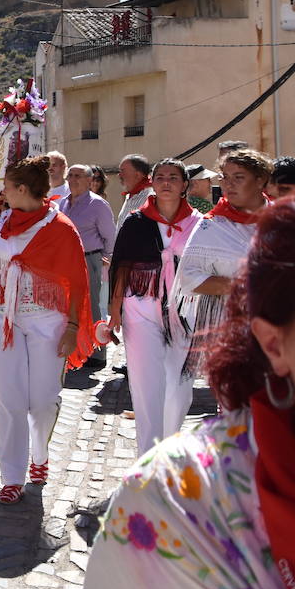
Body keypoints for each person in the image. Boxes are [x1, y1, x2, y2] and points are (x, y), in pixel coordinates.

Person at [80, 187, 295, 589]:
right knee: (151, 391)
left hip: (180, 322)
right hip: (152, 315)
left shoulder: (197, 222)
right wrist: (115, 311)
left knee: (175, 394)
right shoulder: (170, 502)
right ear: (274, 342)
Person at [0, 156, 95, 505]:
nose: (1, 193)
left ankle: (40, 454)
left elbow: (78, 280)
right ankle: (12, 477)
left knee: (43, 400)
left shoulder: (61, 227)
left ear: (22, 189)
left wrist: (72, 326)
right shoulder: (3, 219)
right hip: (1, 316)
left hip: (47, 319)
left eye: (6, 186)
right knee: (8, 398)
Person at [107, 158, 202, 455]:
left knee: (180, 389)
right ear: (152, 182)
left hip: (184, 311)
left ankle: (168, 450)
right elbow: (120, 265)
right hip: (141, 307)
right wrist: (115, 309)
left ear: (184, 185)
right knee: (146, 386)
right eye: (160, 177)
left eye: (173, 177)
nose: (166, 182)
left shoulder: (200, 224)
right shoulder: (136, 222)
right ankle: (148, 461)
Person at [172, 148, 272, 380]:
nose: (228, 184)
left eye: (238, 177)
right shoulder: (212, 225)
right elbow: (188, 277)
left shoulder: (283, 220)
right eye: (225, 177)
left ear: (260, 180)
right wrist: (243, 286)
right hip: (230, 329)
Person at [59, 164, 116, 367]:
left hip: (89, 259)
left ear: (89, 180)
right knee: (69, 304)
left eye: (78, 176)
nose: (73, 179)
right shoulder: (63, 203)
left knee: (92, 305)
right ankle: (77, 349)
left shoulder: (97, 204)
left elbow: (110, 236)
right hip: (67, 260)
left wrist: (105, 259)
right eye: (71, 175)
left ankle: (98, 353)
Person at [114, 154, 154, 231]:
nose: (119, 175)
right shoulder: (129, 196)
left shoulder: (151, 197)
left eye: (123, 171)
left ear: (138, 175)